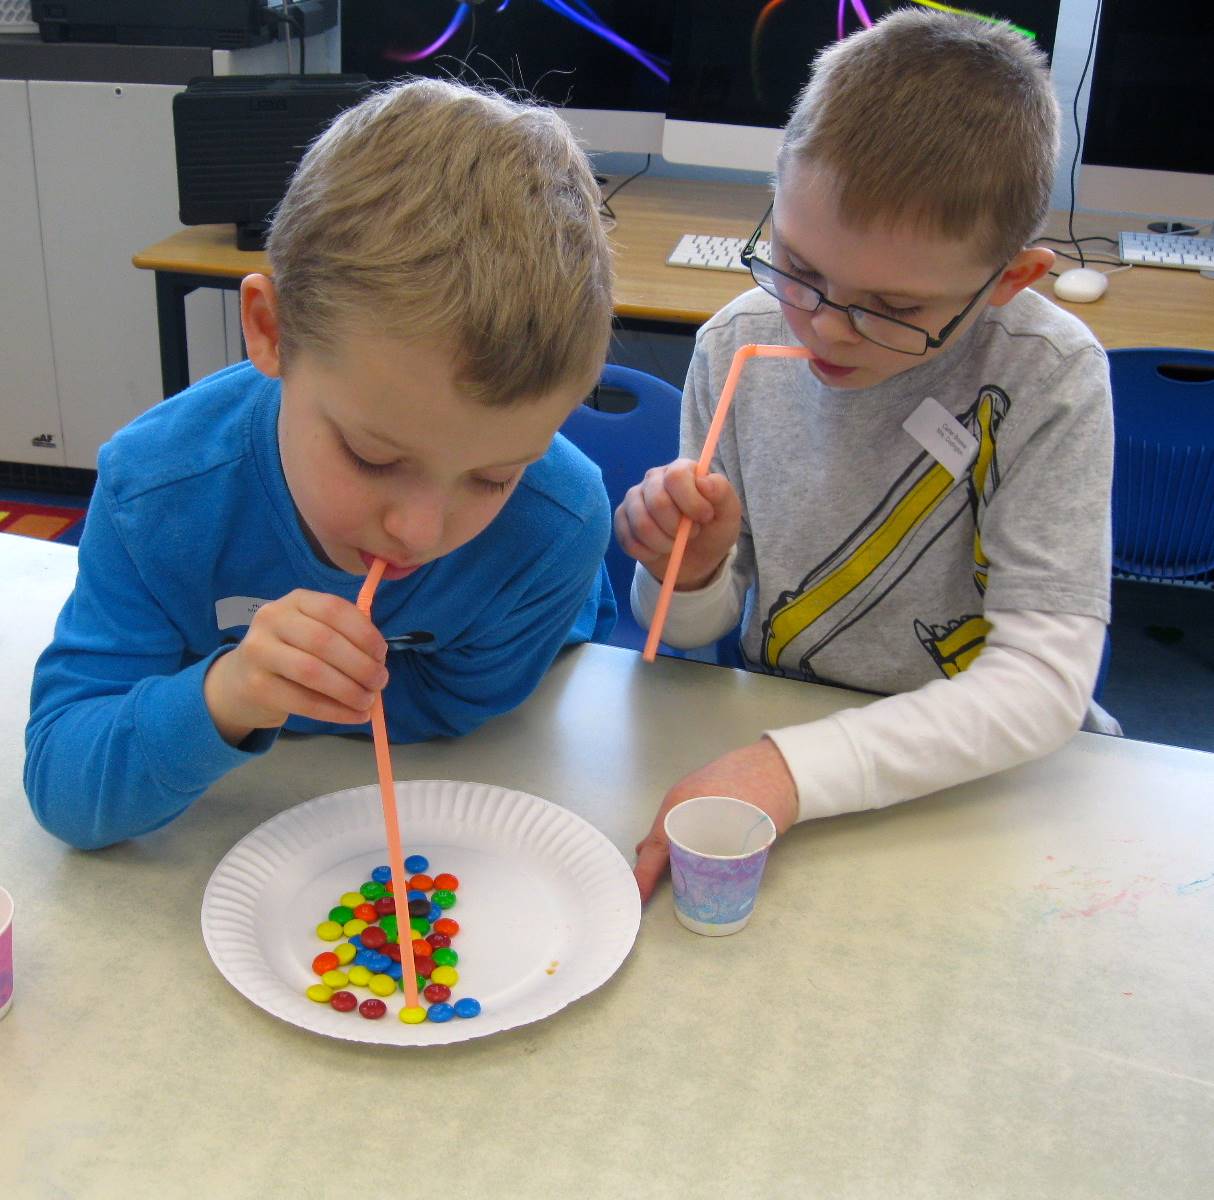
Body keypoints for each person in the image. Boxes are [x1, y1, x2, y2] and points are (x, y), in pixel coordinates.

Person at [25, 79, 616, 851]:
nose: (418, 530)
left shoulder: (557, 527)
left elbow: (470, 704)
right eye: (373, 456)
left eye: (494, 477)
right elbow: (66, 790)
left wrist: (299, 694)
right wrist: (226, 694)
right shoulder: (156, 496)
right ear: (269, 330)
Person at [616, 10, 1115, 900]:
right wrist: (687, 575)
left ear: (1010, 280)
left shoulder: (1048, 374)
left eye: (890, 305)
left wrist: (787, 772)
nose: (821, 326)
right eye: (798, 267)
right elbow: (692, 635)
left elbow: (1042, 686)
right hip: (790, 736)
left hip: (980, 784)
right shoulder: (737, 344)